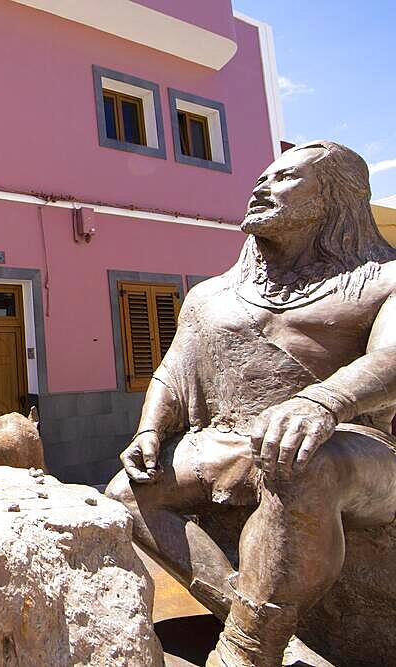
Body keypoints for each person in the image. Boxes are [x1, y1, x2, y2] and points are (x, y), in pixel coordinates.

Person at [106, 141, 396, 666]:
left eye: (285, 178)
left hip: (361, 453)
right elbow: (172, 370)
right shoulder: (212, 295)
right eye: (261, 177)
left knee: (303, 462)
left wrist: (324, 403)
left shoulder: (384, 278)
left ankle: (247, 649)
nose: (261, 186)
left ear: (334, 197)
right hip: (236, 440)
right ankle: (262, 626)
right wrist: (149, 430)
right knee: (130, 490)